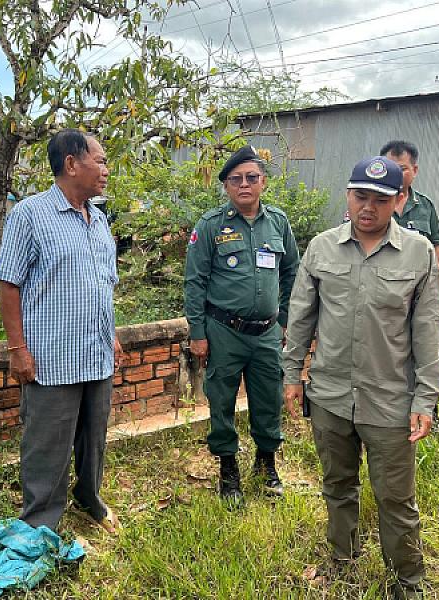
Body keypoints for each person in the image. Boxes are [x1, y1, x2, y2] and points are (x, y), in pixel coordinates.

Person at [283, 156, 439, 600]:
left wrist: (425, 399)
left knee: (396, 500)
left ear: (400, 200)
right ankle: (342, 560)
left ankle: (406, 582)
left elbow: (428, 329)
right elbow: (301, 317)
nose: (367, 207)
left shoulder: (418, 252)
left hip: (390, 401)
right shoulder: (321, 248)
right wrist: (292, 374)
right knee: (337, 485)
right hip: (331, 395)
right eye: (360, 197)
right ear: (348, 196)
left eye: (380, 199)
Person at [0, 129, 122, 534]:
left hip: (96, 352)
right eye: (99, 160)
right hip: (52, 356)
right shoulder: (30, 215)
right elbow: (8, 283)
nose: (105, 169)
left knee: (93, 439)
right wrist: (17, 348)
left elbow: (105, 283)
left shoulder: (99, 219)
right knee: (47, 444)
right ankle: (40, 522)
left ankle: (90, 497)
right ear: (71, 163)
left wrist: (112, 334)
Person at [184, 145, 300, 506]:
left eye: (252, 177)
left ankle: (266, 466)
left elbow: (292, 272)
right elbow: (195, 282)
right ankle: (228, 469)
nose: (245, 184)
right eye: (236, 179)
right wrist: (198, 334)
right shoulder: (211, 226)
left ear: (263, 182)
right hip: (224, 332)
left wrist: (283, 319)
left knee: (268, 400)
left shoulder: (278, 222)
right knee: (221, 401)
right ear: (226, 186)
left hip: (266, 332)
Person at [380, 140, 439, 300]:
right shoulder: (370, 206)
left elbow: (436, 245)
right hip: (380, 285)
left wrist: (438, 283)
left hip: (418, 286)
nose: (395, 175)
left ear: (414, 170)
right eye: (390, 169)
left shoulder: (425, 206)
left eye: (402, 169)